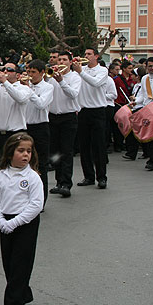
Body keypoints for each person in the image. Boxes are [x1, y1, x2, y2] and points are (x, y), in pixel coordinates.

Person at [0, 132, 44, 305]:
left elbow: (36, 205)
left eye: (29, 151)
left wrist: (15, 222)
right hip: (6, 223)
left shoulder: (32, 177)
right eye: (21, 151)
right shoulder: (2, 176)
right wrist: (0, 220)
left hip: (25, 224)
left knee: (21, 264)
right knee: (9, 264)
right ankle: (24, 292)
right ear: (10, 152)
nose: (25, 155)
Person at [73, 48, 109, 189]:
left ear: (96, 56)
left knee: (98, 146)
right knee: (84, 146)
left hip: (98, 111)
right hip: (83, 111)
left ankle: (101, 177)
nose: (86, 56)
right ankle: (88, 176)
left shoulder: (102, 71)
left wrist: (80, 72)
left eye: (89, 54)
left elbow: (95, 83)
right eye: (85, 54)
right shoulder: (81, 70)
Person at [0, 63, 31, 174]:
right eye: (4, 69)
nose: (6, 71)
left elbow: (20, 98)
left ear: (17, 74)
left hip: (16, 134)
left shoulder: (24, 88)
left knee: (16, 168)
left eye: (10, 69)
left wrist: (5, 82)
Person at [47, 51, 81, 198]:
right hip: (53, 117)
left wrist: (61, 81)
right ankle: (59, 182)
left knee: (66, 151)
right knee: (55, 151)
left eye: (64, 60)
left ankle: (66, 184)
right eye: (59, 59)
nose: (61, 62)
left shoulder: (75, 77)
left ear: (70, 61)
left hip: (68, 117)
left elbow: (73, 94)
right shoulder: (51, 77)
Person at [24, 59, 53, 204]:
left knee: (40, 165)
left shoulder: (48, 87)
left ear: (42, 73)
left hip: (40, 127)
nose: (30, 75)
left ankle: (41, 200)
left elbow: (41, 104)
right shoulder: (25, 86)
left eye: (33, 72)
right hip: (25, 128)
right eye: (28, 72)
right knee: (25, 164)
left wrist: (28, 89)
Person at [132, 57, 153, 170]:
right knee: (151, 136)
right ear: (146, 67)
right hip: (148, 109)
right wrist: (136, 101)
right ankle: (152, 160)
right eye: (150, 66)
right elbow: (143, 95)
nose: (152, 68)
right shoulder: (145, 79)